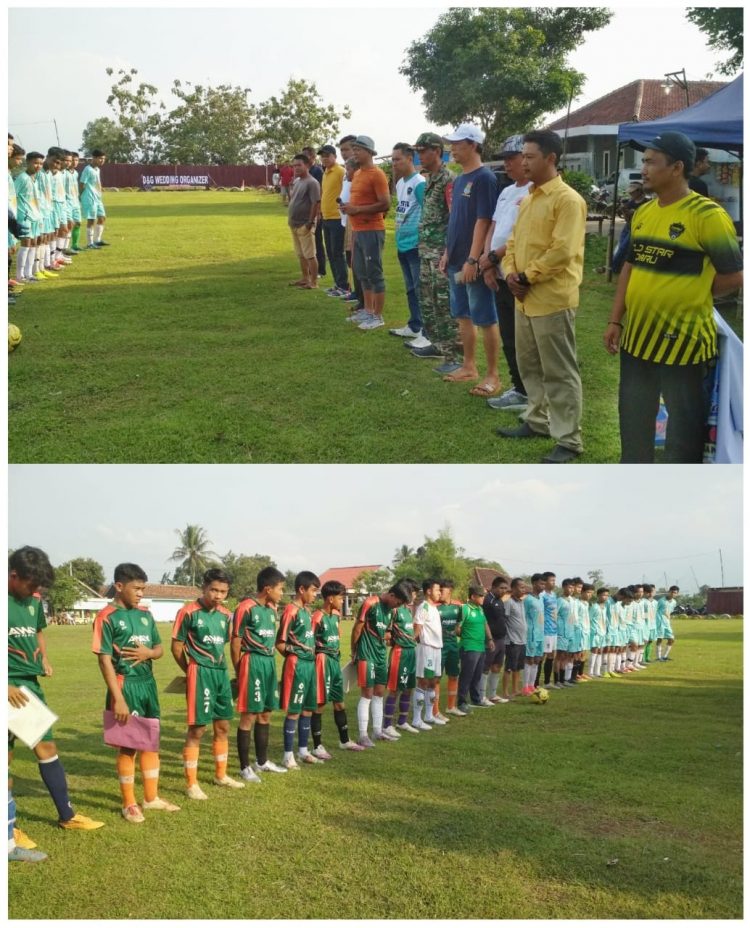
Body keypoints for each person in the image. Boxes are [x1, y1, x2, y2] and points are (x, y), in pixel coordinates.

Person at [603, 131, 743, 464]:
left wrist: (693, 289)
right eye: (643, 161)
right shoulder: (645, 212)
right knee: (634, 427)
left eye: (651, 161)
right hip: (637, 341)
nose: (644, 169)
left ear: (677, 167)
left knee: (683, 438)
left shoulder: (708, 215)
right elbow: (630, 268)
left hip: (685, 343)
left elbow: (736, 273)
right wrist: (614, 319)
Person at [499, 129, 587, 463]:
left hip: (551, 299)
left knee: (559, 372)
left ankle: (569, 439)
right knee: (530, 365)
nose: (523, 162)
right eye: (522, 156)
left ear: (550, 158)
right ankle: (537, 420)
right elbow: (512, 242)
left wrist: (525, 276)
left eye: (530, 156)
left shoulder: (567, 200)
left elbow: (561, 251)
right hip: (524, 297)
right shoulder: (529, 198)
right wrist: (511, 273)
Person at [8, 546, 104, 831]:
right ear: (13, 575)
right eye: (32, 584)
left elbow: (37, 632)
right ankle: (9, 828)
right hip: (9, 687)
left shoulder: (33, 601)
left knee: (46, 746)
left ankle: (66, 816)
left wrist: (44, 658)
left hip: (28, 684)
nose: (36, 590)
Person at [92, 563, 180, 823]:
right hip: (125, 685)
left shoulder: (145, 615)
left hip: (148, 684)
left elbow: (159, 649)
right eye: (137, 588)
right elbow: (104, 660)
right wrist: (117, 698)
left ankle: (151, 798)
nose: (141, 593)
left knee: (150, 742)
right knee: (129, 746)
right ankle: (129, 803)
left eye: (143, 588)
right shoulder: (106, 616)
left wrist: (148, 653)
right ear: (119, 586)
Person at [171, 568, 245, 799]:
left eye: (223, 591)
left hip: (220, 673)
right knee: (198, 728)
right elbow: (176, 647)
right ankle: (191, 784)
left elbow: (225, 644)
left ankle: (220, 775)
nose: (218, 595)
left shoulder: (226, 615)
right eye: (214, 590)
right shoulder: (188, 612)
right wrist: (191, 670)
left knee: (223, 726)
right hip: (200, 672)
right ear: (204, 587)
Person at [440, 123, 501, 396]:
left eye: (458, 143)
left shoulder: (485, 178)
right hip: (455, 259)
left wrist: (473, 260)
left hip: (471, 262)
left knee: (484, 317)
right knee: (462, 315)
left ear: (473, 144)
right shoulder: (460, 178)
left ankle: (493, 375)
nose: (452, 147)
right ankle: (468, 366)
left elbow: (484, 221)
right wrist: (447, 253)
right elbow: (456, 220)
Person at [480, 135, 532, 413]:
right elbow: (494, 226)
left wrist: (490, 259)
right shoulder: (506, 190)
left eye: (512, 158)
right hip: (498, 272)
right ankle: (519, 388)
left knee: (526, 338)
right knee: (509, 335)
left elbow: (517, 237)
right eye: (506, 158)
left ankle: (531, 390)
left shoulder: (536, 191)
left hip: (519, 275)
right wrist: (488, 262)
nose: (507, 163)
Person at [231, 567, 288, 779]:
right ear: (267, 588)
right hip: (252, 663)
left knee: (265, 713)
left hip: (268, 663)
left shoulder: (272, 610)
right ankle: (244, 767)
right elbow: (235, 642)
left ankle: (262, 762)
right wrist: (240, 670)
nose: (282, 593)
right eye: (280, 589)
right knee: (249, 715)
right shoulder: (246, 608)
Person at [412, 132, 459, 370]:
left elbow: (455, 218)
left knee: (445, 303)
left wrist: (448, 251)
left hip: (441, 253)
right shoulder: (430, 178)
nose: (419, 155)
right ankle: (438, 344)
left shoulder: (449, 179)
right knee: (428, 301)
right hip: (426, 251)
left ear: (437, 151)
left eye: (423, 151)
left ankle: (455, 356)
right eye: (418, 151)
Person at [340, 135, 391, 331]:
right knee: (361, 272)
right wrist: (350, 208)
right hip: (358, 230)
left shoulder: (376, 174)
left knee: (374, 273)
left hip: (372, 230)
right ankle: (368, 310)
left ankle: (378, 316)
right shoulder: (358, 173)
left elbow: (385, 203)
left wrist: (358, 210)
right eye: (353, 149)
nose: (354, 153)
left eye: (358, 149)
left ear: (369, 152)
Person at [351, 581, 411, 747]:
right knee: (367, 694)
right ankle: (363, 735)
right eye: (397, 602)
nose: (396, 606)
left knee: (379, 693)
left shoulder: (391, 611)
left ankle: (377, 731)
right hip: (366, 654)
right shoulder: (370, 603)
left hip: (380, 655)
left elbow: (385, 632)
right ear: (392, 595)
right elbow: (357, 629)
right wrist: (354, 651)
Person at [311, 580, 365, 753]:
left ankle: (344, 740)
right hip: (322, 661)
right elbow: (309, 642)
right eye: (340, 597)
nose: (342, 601)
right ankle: (317, 746)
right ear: (330, 598)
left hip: (335, 661)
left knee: (339, 703)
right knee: (320, 703)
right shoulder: (317, 616)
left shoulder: (335, 616)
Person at [276, 571, 322, 769]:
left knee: (309, 708)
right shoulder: (290, 611)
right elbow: (280, 643)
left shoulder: (306, 611)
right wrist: (295, 657)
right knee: (294, 710)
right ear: (301, 589)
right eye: (313, 591)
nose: (315, 595)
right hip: (297, 666)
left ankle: (303, 751)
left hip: (310, 665)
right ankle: (287, 755)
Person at [388, 143, 428, 345]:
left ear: (410, 159)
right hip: (401, 243)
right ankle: (414, 326)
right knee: (410, 288)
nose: (394, 163)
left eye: (397, 159)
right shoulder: (400, 183)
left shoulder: (419, 182)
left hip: (415, 244)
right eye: (393, 159)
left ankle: (425, 332)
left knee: (421, 289)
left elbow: (428, 212)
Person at [383, 584, 418, 736]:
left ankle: (402, 721)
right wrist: (390, 637)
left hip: (411, 652)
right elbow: (386, 632)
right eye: (414, 592)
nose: (415, 596)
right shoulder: (394, 610)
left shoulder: (408, 610)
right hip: (400, 652)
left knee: (408, 687)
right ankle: (386, 725)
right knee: (395, 689)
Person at [411, 579, 445, 729]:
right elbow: (417, 627)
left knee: (433, 682)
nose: (440, 593)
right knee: (424, 682)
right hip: (427, 649)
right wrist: (413, 641)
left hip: (437, 649)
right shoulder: (423, 607)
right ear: (429, 591)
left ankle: (429, 715)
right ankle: (416, 719)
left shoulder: (434, 607)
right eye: (437, 590)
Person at [456, 584, 494, 713]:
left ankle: (476, 699)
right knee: (467, 675)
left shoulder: (480, 609)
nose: (484, 598)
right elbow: (457, 628)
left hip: (480, 647)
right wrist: (467, 636)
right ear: (473, 596)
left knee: (477, 675)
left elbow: (485, 624)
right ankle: (461, 702)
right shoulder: (465, 609)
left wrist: (489, 639)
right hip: (469, 647)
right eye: (481, 596)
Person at [317, 145, 349, 296]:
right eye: (322, 156)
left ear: (334, 156)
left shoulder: (340, 171)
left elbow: (347, 192)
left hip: (337, 218)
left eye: (327, 155)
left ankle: (344, 286)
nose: (324, 158)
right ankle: (337, 284)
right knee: (330, 252)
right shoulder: (325, 173)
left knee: (337, 252)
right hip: (327, 217)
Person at [287, 153, 321, 289]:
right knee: (300, 254)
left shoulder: (312, 182)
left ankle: (313, 282)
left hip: (305, 224)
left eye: (299, 165)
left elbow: (315, 203)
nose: (296, 168)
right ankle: (304, 278)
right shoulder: (296, 181)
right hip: (294, 224)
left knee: (310, 255)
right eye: (294, 165)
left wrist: (310, 222)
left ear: (307, 165)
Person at [13, 152, 44, 284]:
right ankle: (20, 275)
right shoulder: (22, 178)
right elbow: (12, 195)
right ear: (28, 162)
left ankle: (29, 273)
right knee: (26, 244)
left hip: (35, 215)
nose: (38, 166)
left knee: (33, 245)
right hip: (25, 216)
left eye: (41, 164)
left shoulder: (35, 178)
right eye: (35, 163)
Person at [435, 579, 465, 717]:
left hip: (453, 645)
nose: (440, 592)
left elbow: (458, 627)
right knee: (436, 678)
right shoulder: (435, 607)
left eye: (442, 590)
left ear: (450, 591)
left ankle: (451, 707)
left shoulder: (458, 606)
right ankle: (435, 711)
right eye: (438, 590)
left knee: (454, 676)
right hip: (439, 647)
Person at [481, 575, 510, 704]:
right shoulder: (487, 601)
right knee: (485, 667)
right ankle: (481, 696)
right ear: (493, 588)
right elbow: (484, 621)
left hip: (501, 639)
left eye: (505, 588)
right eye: (501, 588)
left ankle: (492, 694)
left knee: (497, 666)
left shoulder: (500, 601)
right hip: (490, 639)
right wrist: (489, 638)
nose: (504, 591)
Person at [609, 182, 648, 274]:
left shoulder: (646, 203)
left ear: (639, 191)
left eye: (633, 192)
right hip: (628, 226)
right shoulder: (630, 202)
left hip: (637, 228)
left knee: (623, 248)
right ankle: (617, 267)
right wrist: (624, 211)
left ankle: (613, 267)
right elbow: (627, 219)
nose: (631, 194)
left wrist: (634, 213)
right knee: (621, 247)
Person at [502, 578, 527, 699]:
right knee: (509, 667)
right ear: (513, 588)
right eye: (521, 587)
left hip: (522, 640)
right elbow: (504, 621)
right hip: (512, 640)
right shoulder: (508, 603)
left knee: (518, 667)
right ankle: (505, 692)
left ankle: (515, 689)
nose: (524, 589)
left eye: (524, 587)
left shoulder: (522, 603)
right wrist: (507, 637)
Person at [79, 149, 108, 248]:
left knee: (102, 217)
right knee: (91, 220)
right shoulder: (87, 169)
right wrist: (80, 197)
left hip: (98, 198)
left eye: (103, 159)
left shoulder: (97, 169)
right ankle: (90, 243)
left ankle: (97, 240)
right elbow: (82, 183)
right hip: (89, 197)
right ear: (94, 158)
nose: (102, 161)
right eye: (100, 158)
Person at [523, 574, 545, 694]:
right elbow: (523, 616)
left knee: (537, 660)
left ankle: (532, 685)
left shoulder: (541, 599)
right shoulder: (528, 600)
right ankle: (525, 687)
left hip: (540, 634)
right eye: (541, 583)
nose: (543, 586)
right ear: (534, 584)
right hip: (531, 634)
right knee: (529, 660)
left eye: (544, 584)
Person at [539, 571, 558, 686]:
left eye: (554, 580)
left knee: (551, 655)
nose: (554, 583)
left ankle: (547, 682)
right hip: (546, 629)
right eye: (552, 580)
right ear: (545, 582)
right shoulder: (542, 595)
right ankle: (535, 683)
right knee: (542, 656)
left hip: (554, 630)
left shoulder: (554, 594)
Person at [656, 585, 679, 661]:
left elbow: (670, 612)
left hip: (667, 623)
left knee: (671, 639)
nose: (673, 594)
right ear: (669, 592)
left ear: (677, 594)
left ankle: (665, 656)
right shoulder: (661, 601)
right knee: (660, 639)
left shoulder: (674, 602)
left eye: (675, 593)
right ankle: (659, 657)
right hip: (660, 623)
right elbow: (655, 610)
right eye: (671, 592)